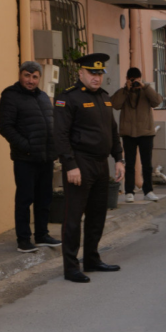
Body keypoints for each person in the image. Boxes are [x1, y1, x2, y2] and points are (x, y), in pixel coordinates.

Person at [53, 53, 125, 283]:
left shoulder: (104, 98)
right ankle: (71, 267)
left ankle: (92, 259)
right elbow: (61, 135)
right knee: (73, 217)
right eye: (92, 73)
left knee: (97, 215)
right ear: (81, 73)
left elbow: (112, 132)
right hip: (80, 163)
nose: (96, 78)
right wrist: (70, 165)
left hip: (101, 163)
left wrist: (119, 158)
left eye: (99, 73)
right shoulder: (68, 98)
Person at [0, 61, 61, 253]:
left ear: (39, 78)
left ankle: (42, 235)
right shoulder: (10, 96)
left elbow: (50, 122)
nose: (31, 80)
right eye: (27, 75)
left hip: (46, 157)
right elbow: (6, 127)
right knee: (25, 199)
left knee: (45, 197)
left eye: (35, 77)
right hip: (25, 158)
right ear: (20, 75)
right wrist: (27, 146)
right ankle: (23, 239)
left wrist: (54, 148)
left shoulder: (43, 96)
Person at [109, 67, 163, 203]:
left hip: (146, 132)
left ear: (140, 78)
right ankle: (129, 191)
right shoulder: (124, 92)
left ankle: (148, 191)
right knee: (130, 164)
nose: (134, 82)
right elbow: (114, 104)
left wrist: (144, 86)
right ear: (127, 79)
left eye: (136, 80)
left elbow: (157, 101)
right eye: (132, 80)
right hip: (128, 133)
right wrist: (126, 89)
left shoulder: (146, 90)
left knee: (147, 164)